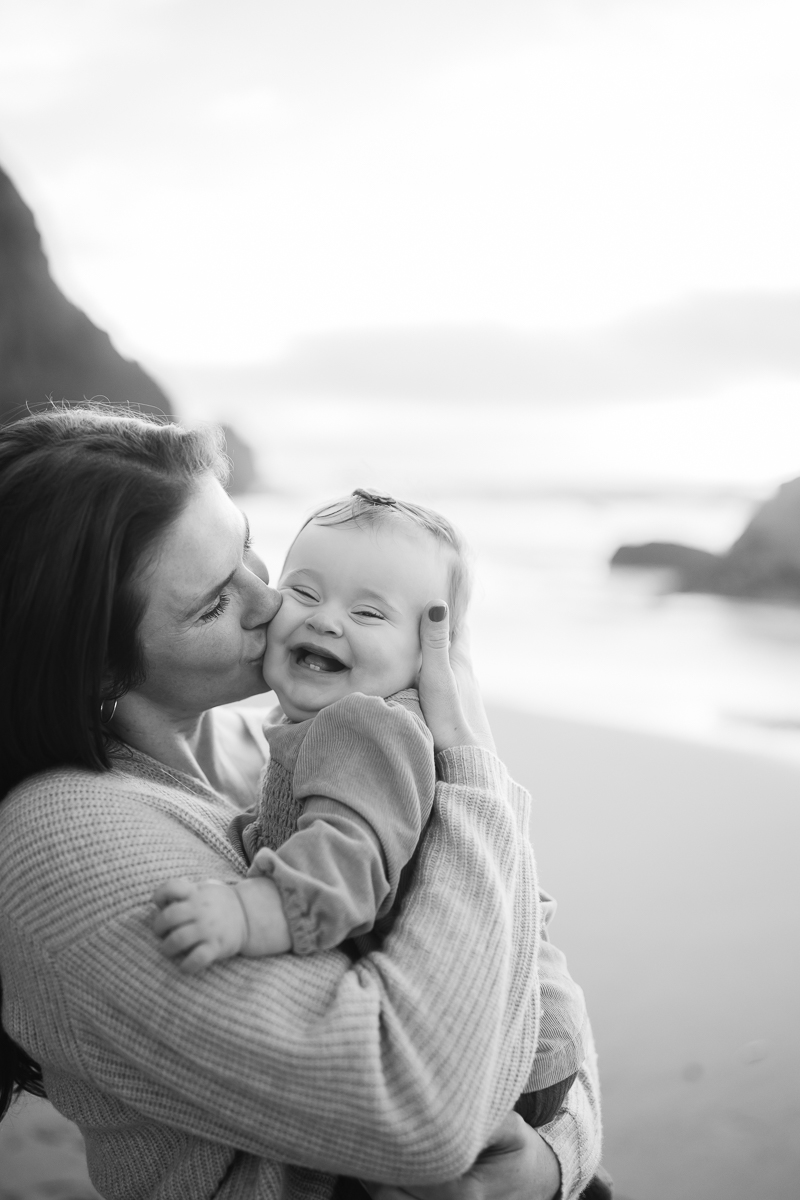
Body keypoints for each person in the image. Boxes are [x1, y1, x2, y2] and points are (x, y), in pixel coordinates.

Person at [0, 407, 603, 1200]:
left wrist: (558, 1161)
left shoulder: (282, 745)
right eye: (214, 602)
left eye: (249, 547)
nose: (271, 601)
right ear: (99, 669)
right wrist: (472, 767)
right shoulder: (61, 840)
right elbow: (418, 1110)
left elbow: (528, 947)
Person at [153, 489, 589, 1133]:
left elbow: (348, 859)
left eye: (367, 611)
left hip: (502, 1052)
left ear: (427, 660)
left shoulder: (365, 726)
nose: (328, 621)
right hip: (523, 1029)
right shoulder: (317, 722)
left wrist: (251, 910)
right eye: (304, 593)